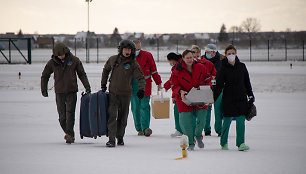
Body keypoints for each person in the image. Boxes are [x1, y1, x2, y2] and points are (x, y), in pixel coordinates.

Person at [41, 43, 91, 144]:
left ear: (66, 52)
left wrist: (87, 87)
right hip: (59, 92)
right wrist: (44, 89)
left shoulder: (74, 60)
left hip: (71, 91)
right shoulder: (52, 63)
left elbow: (82, 74)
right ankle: (69, 133)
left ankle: (70, 135)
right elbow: (45, 76)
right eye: (59, 55)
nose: (61, 57)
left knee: (70, 114)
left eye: (62, 54)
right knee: (62, 117)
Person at [101, 40, 146, 147]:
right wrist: (103, 84)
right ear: (121, 49)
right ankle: (111, 139)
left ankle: (120, 136)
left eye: (130, 50)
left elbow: (141, 78)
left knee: (123, 117)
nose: (127, 51)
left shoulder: (133, 63)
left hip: (126, 94)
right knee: (112, 116)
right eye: (125, 49)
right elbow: (106, 70)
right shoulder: (113, 59)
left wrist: (141, 90)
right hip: (113, 93)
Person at [214, 44, 255, 151]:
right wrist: (213, 98)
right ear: (226, 55)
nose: (231, 55)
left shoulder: (242, 66)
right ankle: (224, 143)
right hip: (228, 98)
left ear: (236, 54)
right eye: (229, 54)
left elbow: (247, 82)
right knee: (226, 121)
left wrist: (250, 95)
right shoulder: (223, 68)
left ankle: (241, 143)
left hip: (241, 98)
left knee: (241, 121)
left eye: (233, 53)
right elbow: (219, 85)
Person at [172, 50, 211, 150]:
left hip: (199, 96)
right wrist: (180, 91)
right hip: (184, 98)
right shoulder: (177, 70)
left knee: (202, 120)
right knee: (186, 122)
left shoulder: (201, 67)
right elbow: (174, 85)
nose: (190, 60)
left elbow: (208, 80)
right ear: (183, 59)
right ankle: (190, 143)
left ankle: (198, 136)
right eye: (187, 58)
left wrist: (208, 92)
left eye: (191, 57)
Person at [131, 40, 162, 137]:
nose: (137, 51)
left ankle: (145, 129)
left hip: (145, 84)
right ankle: (139, 129)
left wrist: (159, 82)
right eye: (135, 49)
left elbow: (153, 70)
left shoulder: (148, 55)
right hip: (132, 85)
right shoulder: (127, 56)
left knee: (144, 106)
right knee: (135, 107)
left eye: (139, 49)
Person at [202, 44, 225, 136]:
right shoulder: (202, 60)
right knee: (206, 110)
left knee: (218, 110)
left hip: (218, 88)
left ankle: (219, 130)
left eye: (208, 52)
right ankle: (207, 129)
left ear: (214, 52)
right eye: (206, 52)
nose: (206, 53)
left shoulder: (221, 60)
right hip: (206, 88)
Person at [163, 52, 184, 137]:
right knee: (178, 111)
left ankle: (181, 130)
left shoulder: (179, 66)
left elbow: (175, 82)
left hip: (181, 93)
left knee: (179, 112)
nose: (170, 64)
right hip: (178, 92)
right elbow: (172, 80)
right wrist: (166, 86)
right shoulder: (177, 66)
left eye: (169, 62)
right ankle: (180, 129)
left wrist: (174, 95)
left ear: (172, 60)